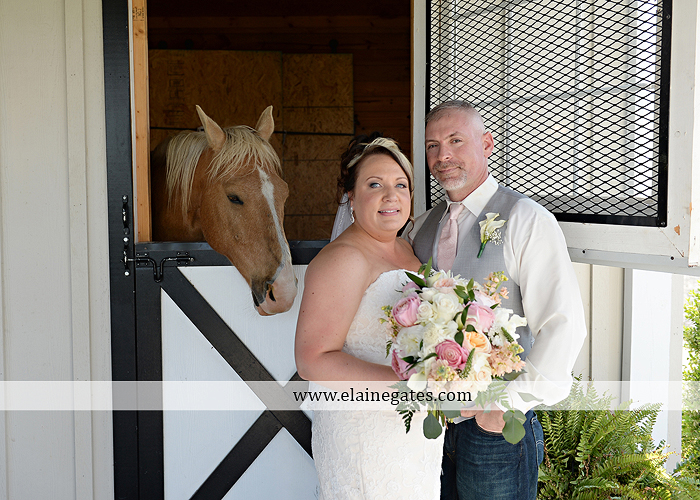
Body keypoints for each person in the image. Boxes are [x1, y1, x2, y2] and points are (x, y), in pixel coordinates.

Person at [404, 100, 587, 500]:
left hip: (495, 433)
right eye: (433, 146)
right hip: (432, 430)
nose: (442, 155)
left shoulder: (526, 219)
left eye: (456, 140)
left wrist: (504, 405)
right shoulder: (421, 226)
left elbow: (563, 324)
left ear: (487, 144)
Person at [295, 134, 443, 499]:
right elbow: (312, 360)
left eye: (400, 185)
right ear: (351, 196)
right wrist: (406, 384)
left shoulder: (406, 249)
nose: (391, 196)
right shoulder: (343, 258)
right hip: (364, 435)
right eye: (374, 185)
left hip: (413, 435)